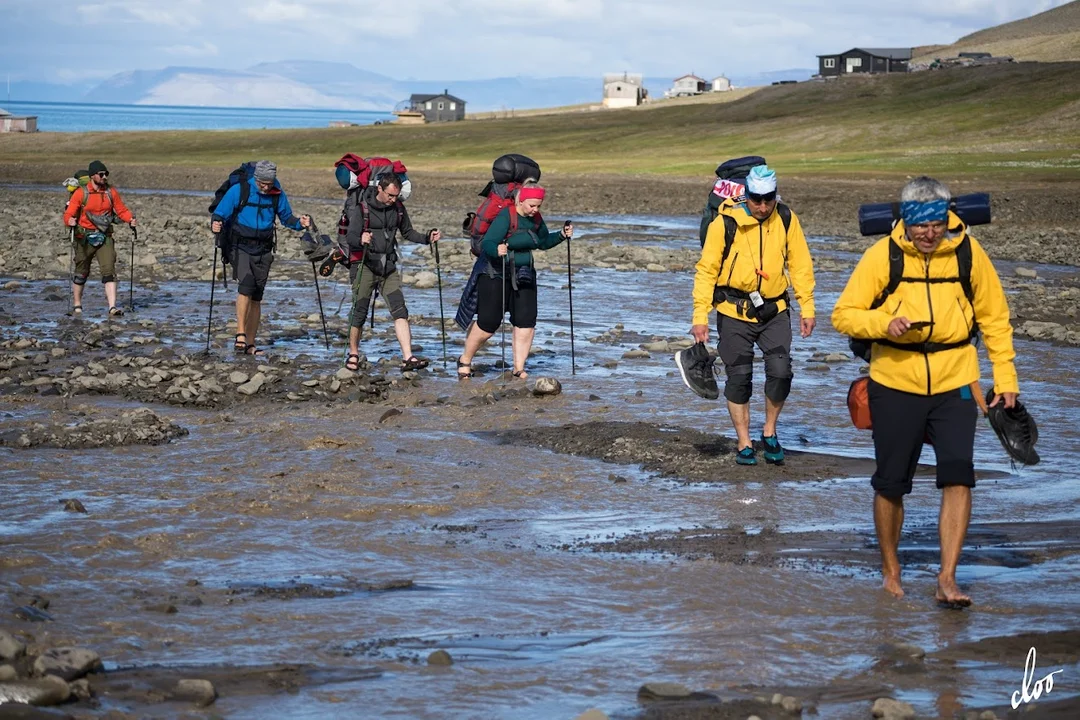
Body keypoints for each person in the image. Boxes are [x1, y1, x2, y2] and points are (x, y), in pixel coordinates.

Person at [831, 176, 1019, 606]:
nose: (930, 233)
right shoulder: (884, 256)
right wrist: (883, 324)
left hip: (957, 381)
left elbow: (995, 318)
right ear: (906, 222)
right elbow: (843, 315)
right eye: (921, 226)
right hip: (895, 381)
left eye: (937, 224)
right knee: (891, 483)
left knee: (959, 476)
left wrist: (1005, 379)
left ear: (948, 218)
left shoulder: (970, 254)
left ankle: (947, 578)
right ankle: (892, 569)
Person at [687, 165, 816, 465]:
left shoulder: (786, 218)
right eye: (756, 199)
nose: (761, 206)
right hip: (733, 311)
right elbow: (706, 271)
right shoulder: (725, 222)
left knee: (781, 373)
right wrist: (700, 316)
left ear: (775, 195)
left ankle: (769, 432)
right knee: (739, 378)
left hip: (775, 311)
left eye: (767, 199)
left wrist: (807, 307)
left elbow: (800, 264)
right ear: (746, 195)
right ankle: (744, 441)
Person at [456, 181, 572, 379]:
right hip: (495, 273)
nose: (535, 210)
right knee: (488, 324)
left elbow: (543, 242)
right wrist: (497, 249)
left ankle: (518, 368)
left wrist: (561, 235)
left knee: (526, 322)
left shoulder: (535, 219)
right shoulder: (505, 216)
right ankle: (465, 360)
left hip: (524, 273)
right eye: (532, 205)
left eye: (539, 206)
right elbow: (489, 243)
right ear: (521, 200)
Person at [210, 160, 311, 357]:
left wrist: (301, 223)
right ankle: (240, 334)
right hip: (239, 245)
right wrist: (215, 224)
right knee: (246, 284)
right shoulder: (240, 190)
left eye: (269, 184)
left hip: (264, 248)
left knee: (256, 296)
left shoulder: (277, 193)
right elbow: (219, 214)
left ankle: (250, 344)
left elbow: (287, 218)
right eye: (262, 184)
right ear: (256, 179)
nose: (266, 187)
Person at [343, 172, 441, 372]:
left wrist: (426, 238)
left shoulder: (398, 209)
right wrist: (361, 239)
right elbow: (350, 237)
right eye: (390, 195)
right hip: (365, 265)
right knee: (359, 312)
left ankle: (408, 357)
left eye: (396, 196)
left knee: (400, 310)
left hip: (388, 267)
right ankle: (353, 353)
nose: (393, 200)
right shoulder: (362, 209)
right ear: (380, 189)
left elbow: (407, 233)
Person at [63, 160, 136, 316]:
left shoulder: (111, 192)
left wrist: (130, 219)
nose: (104, 177)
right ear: (92, 176)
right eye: (101, 174)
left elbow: (121, 210)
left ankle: (112, 307)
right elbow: (69, 213)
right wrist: (69, 220)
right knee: (81, 272)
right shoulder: (81, 193)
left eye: (106, 174)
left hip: (105, 236)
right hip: (83, 236)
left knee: (109, 271)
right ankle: (77, 305)